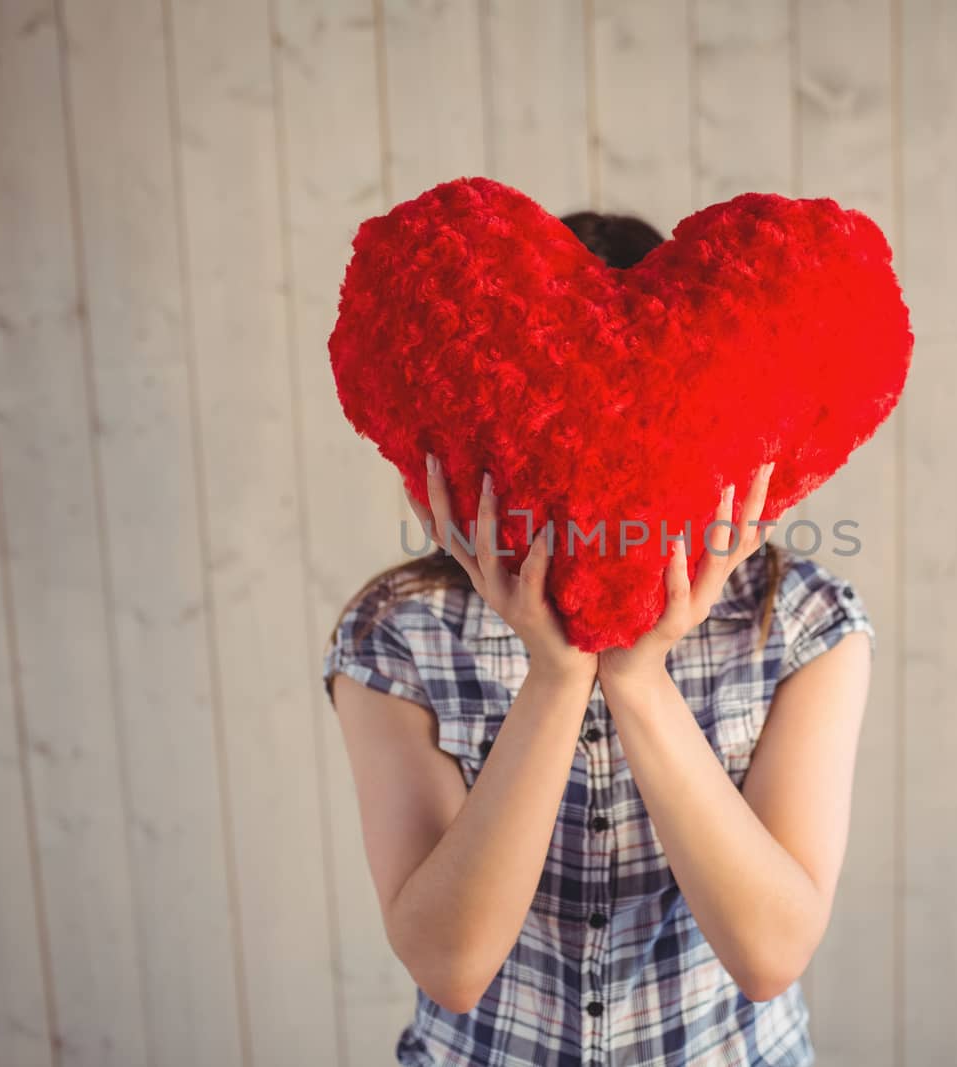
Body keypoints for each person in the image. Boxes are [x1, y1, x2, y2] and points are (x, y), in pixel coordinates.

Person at [320, 211, 875, 1066]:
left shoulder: (806, 625)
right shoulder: (398, 634)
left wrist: (639, 676)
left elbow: (771, 953)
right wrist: (556, 673)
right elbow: (451, 964)